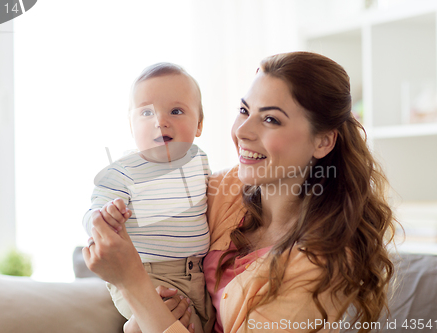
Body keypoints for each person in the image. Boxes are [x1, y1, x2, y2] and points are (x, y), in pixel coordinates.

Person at [83, 52, 395, 333]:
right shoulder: (225, 192)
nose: (242, 131)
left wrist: (133, 284)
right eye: (244, 110)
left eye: (271, 119)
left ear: (323, 142)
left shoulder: (320, 265)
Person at [82, 63, 213, 333]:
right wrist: (104, 216)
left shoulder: (198, 160)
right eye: (146, 112)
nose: (160, 121)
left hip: (197, 273)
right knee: (186, 327)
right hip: (147, 274)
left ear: (199, 125)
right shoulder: (123, 170)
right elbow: (92, 213)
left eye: (176, 111)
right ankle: (136, 327)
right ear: (131, 126)